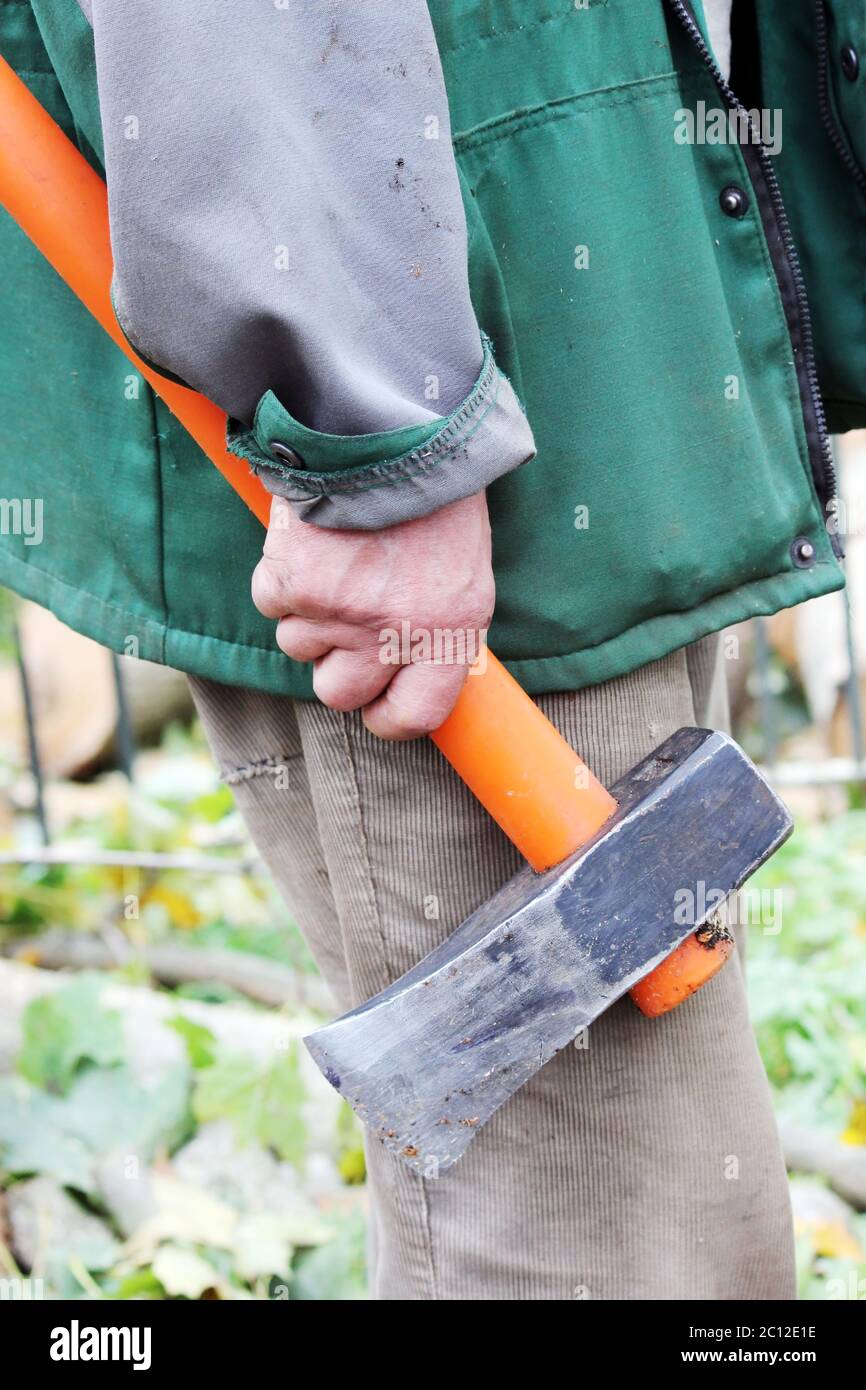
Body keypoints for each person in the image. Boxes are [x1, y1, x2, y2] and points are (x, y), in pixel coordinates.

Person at [1, 0, 862, 1299]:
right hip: (443, 393)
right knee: (611, 1231)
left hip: (574, 319)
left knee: (640, 1203)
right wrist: (378, 433)